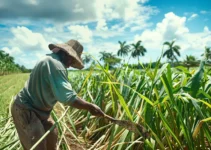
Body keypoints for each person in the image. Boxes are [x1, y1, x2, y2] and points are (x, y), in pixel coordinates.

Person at [11, 39, 105, 150]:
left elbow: (65, 92)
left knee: (52, 134)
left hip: (42, 112)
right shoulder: (55, 65)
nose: (70, 64)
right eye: (71, 59)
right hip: (27, 109)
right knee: (38, 146)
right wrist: (90, 107)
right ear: (65, 53)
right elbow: (67, 97)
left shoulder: (51, 60)